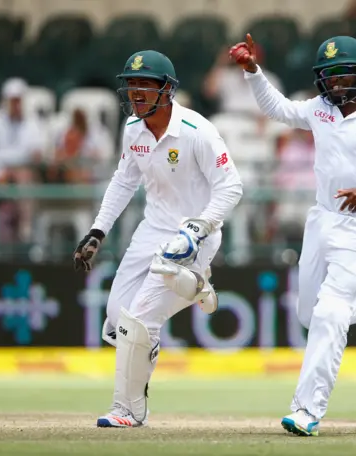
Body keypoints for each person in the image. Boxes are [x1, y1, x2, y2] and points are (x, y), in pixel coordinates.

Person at [229, 34, 356, 436]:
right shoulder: (321, 108)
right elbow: (281, 110)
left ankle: (307, 410)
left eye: (343, 76)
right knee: (311, 315)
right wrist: (253, 71)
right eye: (328, 77)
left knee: (329, 313)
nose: (335, 85)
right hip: (321, 220)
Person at [73, 50, 243, 428]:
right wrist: (98, 231)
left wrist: (199, 227)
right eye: (132, 84)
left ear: (167, 90)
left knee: (140, 319)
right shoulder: (133, 128)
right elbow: (123, 181)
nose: (136, 92)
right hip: (152, 230)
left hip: (195, 234)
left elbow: (231, 187)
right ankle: (193, 287)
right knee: (117, 316)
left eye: (145, 85)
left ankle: (128, 410)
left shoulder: (197, 131)